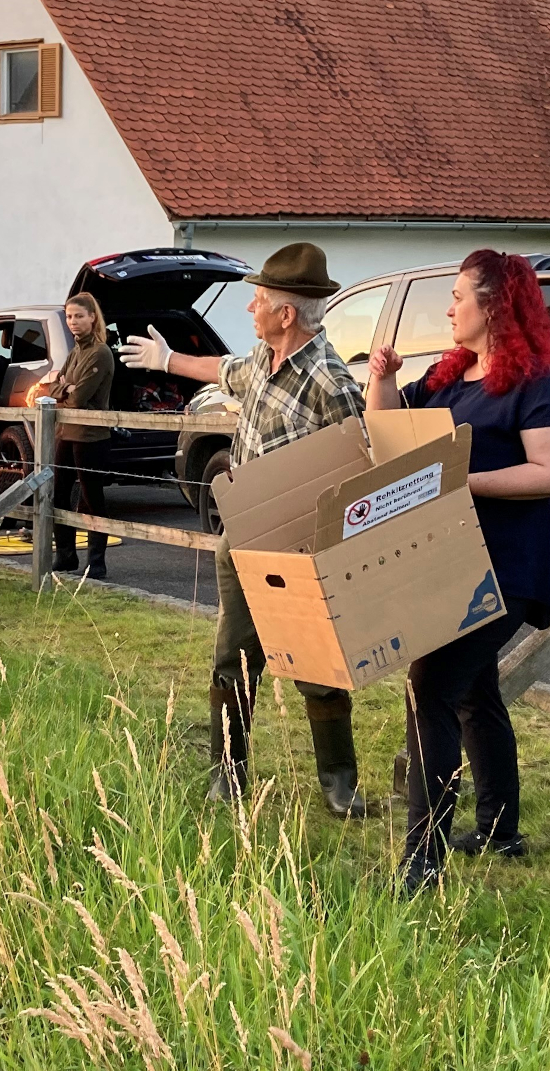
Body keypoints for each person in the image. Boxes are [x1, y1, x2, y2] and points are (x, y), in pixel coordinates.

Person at [121, 243, 370, 817]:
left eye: (259, 300)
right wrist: (166, 361)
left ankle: (339, 781)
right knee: (232, 656)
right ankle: (227, 773)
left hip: (302, 547)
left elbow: (359, 470)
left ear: (288, 314)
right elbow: (220, 370)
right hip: (243, 537)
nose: (251, 307)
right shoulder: (262, 359)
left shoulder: (332, 385)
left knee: (314, 661)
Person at [367, 250, 550, 894]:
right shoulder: (448, 378)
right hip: (450, 563)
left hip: (503, 571)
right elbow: (389, 433)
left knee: (430, 689)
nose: (450, 307)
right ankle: (499, 830)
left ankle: (422, 862)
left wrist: (461, 480)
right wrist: (381, 378)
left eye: (459, 295)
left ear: (494, 305)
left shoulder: (538, 384)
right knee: (471, 692)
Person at [43, 292, 116, 579]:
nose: (73, 322)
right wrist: (64, 387)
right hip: (66, 433)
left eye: (79, 316)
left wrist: (66, 388)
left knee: (92, 498)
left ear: (92, 318)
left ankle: (96, 562)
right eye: (69, 317)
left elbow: (79, 397)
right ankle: (66, 556)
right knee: (59, 494)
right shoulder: (76, 352)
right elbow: (52, 392)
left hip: (91, 436)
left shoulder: (100, 352)